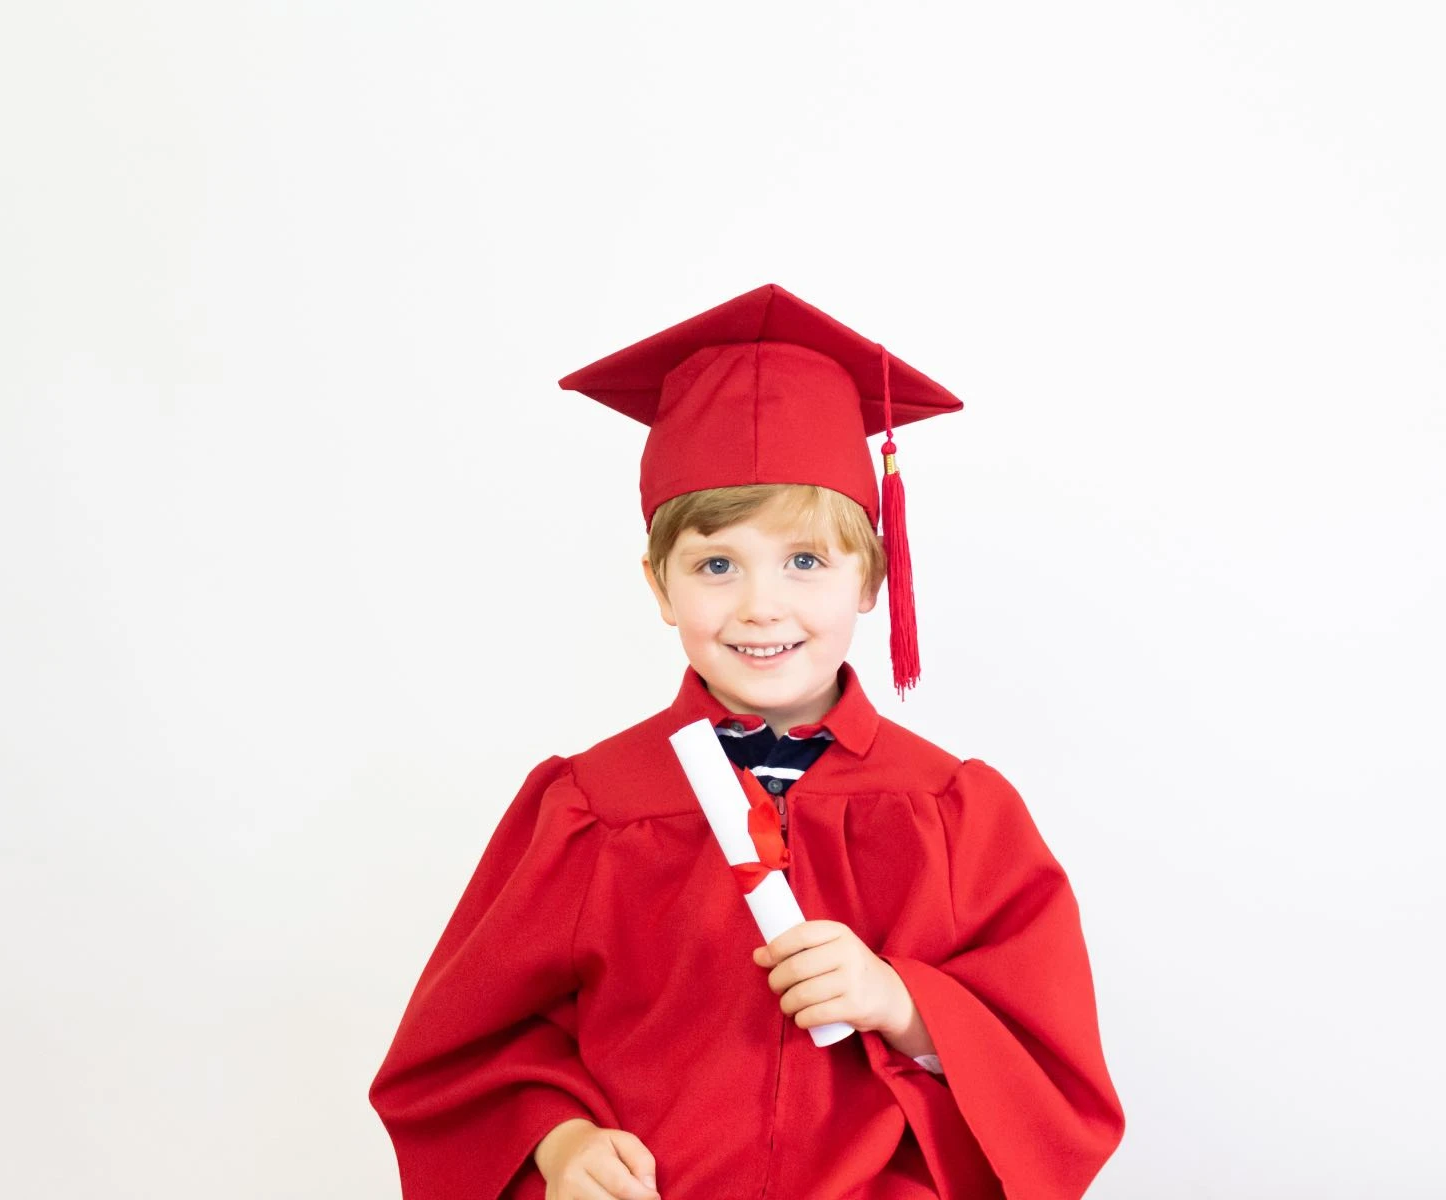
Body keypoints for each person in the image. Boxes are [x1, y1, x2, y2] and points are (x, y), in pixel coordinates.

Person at [368, 284, 1125, 1199]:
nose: (761, 604)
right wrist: (561, 1145)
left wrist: (904, 1002)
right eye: (716, 564)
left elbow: (1055, 1079)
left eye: (805, 560)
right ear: (659, 586)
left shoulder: (956, 813)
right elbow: (460, 1056)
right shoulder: (589, 808)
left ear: (871, 579)